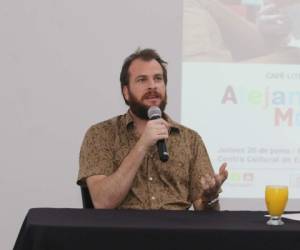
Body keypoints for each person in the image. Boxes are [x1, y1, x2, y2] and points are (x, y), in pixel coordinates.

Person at [77, 48, 228, 210]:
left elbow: (205, 212)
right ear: (126, 92)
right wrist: (142, 145)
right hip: (123, 232)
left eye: (158, 79)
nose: (152, 86)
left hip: (177, 232)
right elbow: (102, 202)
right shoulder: (100, 134)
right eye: (142, 80)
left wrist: (209, 197)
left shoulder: (190, 140)